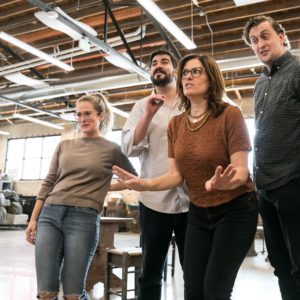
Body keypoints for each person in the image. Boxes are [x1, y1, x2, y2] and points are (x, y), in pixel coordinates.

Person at [114, 54, 258, 300]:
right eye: (186, 73)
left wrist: (228, 181)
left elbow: (242, 170)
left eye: (196, 72)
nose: (188, 77)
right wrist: (143, 184)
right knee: (189, 287)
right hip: (191, 209)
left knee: (214, 289)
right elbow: (174, 174)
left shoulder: (229, 113)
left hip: (229, 208)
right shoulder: (172, 122)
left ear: (211, 79)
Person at [25, 93, 136, 300]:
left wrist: (104, 187)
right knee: (46, 293)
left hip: (83, 219)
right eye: (78, 114)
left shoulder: (112, 149)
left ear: (100, 116)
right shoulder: (64, 146)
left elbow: (133, 178)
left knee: (73, 295)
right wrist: (33, 219)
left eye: (87, 113)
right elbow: (49, 182)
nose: (82, 119)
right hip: (50, 214)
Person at [121, 49, 189, 300]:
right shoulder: (141, 106)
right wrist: (149, 114)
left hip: (192, 200)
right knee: (150, 271)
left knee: (193, 269)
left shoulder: (191, 100)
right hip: (153, 201)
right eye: (153, 64)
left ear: (175, 70)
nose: (158, 66)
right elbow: (129, 147)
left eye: (164, 62)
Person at [243, 15, 300, 300]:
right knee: (280, 265)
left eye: (265, 36)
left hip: (293, 184)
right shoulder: (259, 84)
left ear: (281, 35)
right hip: (266, 189)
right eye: (254, 41)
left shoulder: (298, 71)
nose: (260, 44)